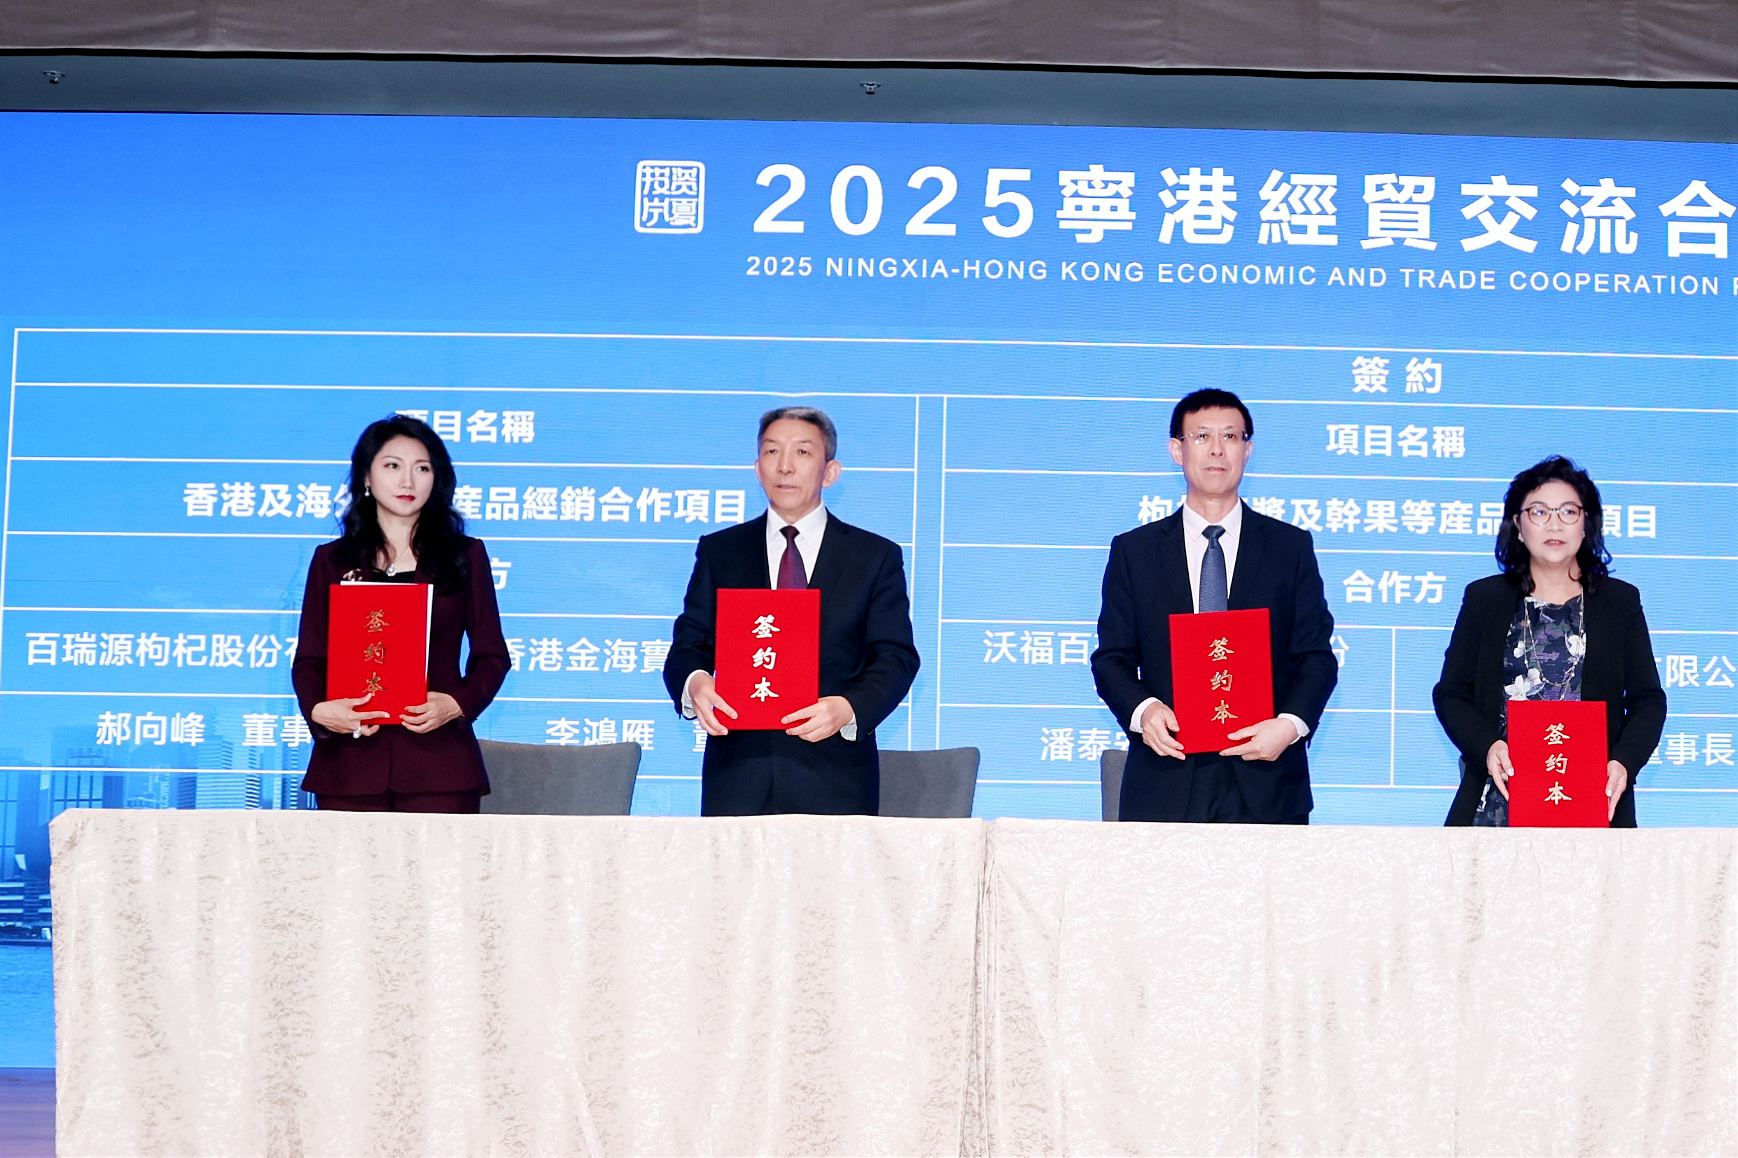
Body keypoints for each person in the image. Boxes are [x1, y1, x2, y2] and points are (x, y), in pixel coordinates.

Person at [1091, 388, 1338, 823]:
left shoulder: (1289, 548)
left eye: (1231, 436)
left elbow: (1315, 657)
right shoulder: (1136, 552)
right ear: (1177, 450)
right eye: (1202, 436)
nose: (1217, 449)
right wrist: (1144, 711)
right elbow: (1112, 658)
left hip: (1267, 780)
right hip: (1166, 779)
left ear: (1248, 450)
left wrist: (1290, 725)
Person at [663, 406, 920, 815]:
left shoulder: (873, 557)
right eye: (771, 451)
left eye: (802, 452)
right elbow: (688, 645)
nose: (784, 466)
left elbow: (895, 657)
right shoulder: (721, 551)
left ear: (830, 471)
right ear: (757, 468)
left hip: (836, 775)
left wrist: (847, 708)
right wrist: (695, 684)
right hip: (738, 774)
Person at [291, 415, 511, 813]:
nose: (407, 481)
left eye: (422, 468)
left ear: (437, 479)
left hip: (440, 766)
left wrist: (455, 705)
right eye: (392, 466)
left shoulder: (466, 556)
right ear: (366, 476)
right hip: (348, 765)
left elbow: (492, 656)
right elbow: (309, 659)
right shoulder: (331, 561)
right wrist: (320, 711)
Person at [1434, 456, 1665, 827]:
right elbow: (1452, 693)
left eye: (1568, 511)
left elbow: (1648, 699)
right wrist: (1487, 746)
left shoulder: (1619, 602)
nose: (1554, 523)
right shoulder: (1485, 599)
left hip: (1594, 801)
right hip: (1498, 802)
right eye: (1539, 511)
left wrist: (1623, 761)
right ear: (1518, 525)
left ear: (1586, 524)